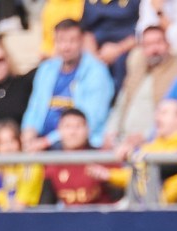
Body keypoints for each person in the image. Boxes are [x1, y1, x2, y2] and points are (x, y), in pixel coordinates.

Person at [22, 19, 114, 151]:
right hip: (41, 143)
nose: (66, 47)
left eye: (72, 41)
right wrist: (28, 134)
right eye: (61, 41)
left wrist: (47, 141)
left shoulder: (96, 71)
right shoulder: (46, 69)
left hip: (80, 143)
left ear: (81, 42)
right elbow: (34, 108)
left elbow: (91, 120)